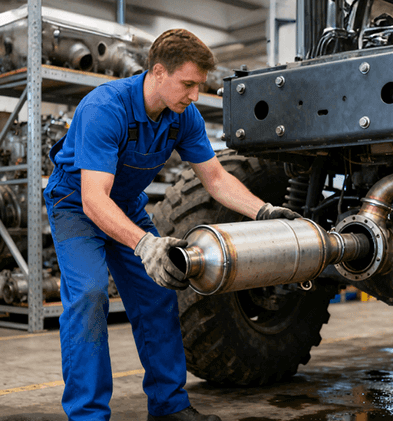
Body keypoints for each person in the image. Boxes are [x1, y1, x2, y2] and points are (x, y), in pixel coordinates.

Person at [44, 29, 299, 421]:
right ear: (158, 72)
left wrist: (263, 211)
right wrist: (146, 244)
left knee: (158, 293)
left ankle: (168, 408)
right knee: (90, 295)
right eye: (189, 84)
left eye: (199, 85)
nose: (195, 95)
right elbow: (93, 199)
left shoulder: (183, 117)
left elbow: (215, 179)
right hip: (76, 205)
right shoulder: (105, 109)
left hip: (125, 205)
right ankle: (88, 415)